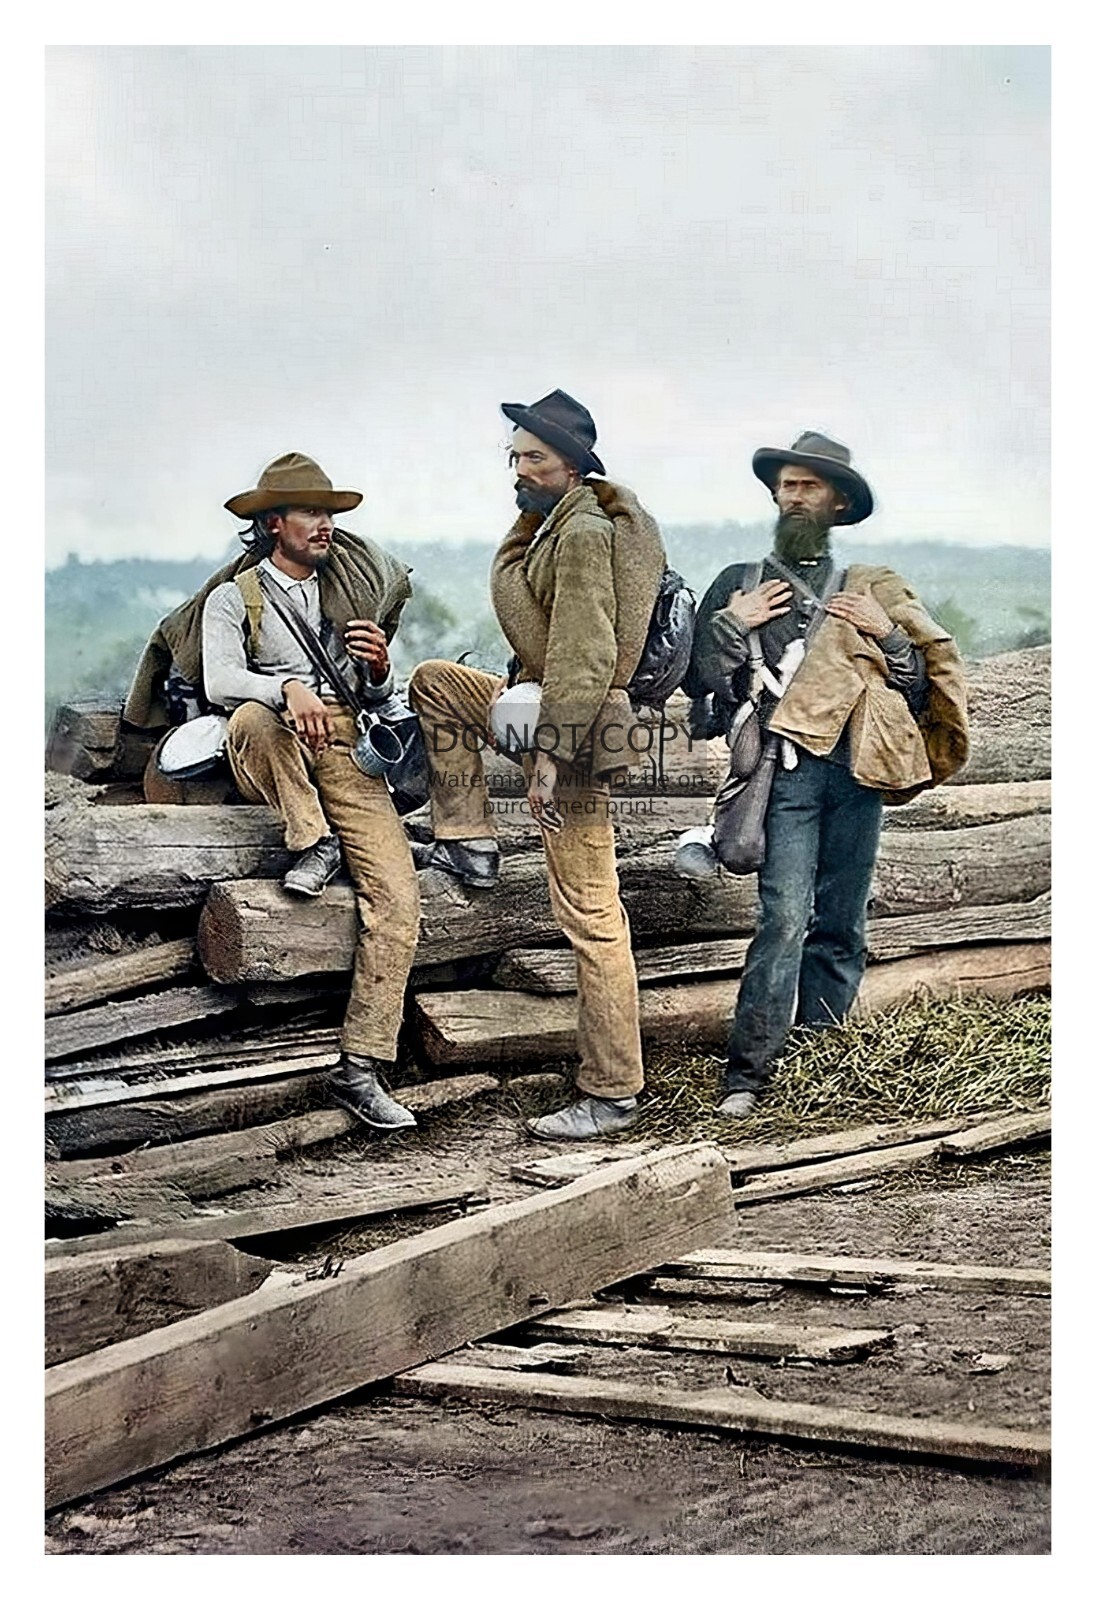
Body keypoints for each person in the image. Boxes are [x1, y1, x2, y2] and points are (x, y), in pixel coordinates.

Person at [684, 431, 969, 1118]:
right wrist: (728, 625)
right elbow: (698, 682)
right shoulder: (739, 583)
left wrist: (888, 635)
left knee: (842, 920)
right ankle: (747, 1075)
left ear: (838, 502)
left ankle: (821, 1062)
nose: (794, 496)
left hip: (857, 773)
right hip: (781, 778)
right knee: (783, 917)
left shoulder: (870, 589)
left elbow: (914, 686)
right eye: (786, 485)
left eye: (809, 485)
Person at [408, 390, 666, 1141]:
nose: (518, 469)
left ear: (573, 466)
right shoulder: (556, 521)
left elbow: (586, 654)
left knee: (592, 915)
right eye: (514, 455)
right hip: (542, 701)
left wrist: (550, 757)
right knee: (435, 682)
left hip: (575, 730)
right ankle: (470, 840)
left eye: (534, 459)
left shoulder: (584, 533)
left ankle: (612, 1091)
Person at [196, 452, 422, 1132]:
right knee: (252, 715)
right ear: (272, 524)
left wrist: (379, 669)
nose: (325, 526)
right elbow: (219, 681)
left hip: (345, 746)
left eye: (328, 514)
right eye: (310, 514)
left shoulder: (344, 595)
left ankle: (360, 1066)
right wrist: (284, 687)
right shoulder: (236, 598)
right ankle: (312, 839)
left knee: (399, 897)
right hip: (273, 743)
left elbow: (372, 696)